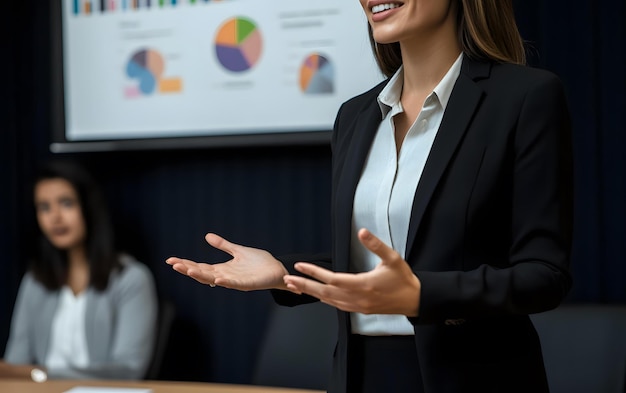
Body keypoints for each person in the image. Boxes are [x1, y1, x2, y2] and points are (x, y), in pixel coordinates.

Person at [166, 0, 573, 392]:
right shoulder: (355, 116)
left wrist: (422, 295)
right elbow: (375, 265)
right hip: (361, 374)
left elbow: (544, 276)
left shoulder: (524, 98)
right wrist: (284, 273)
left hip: (474, 377)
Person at [0, 160, 158, 381]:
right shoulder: (35, 280)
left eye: (66, 203)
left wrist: (41, 374)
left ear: (88, 206)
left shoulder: (131, 278)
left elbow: (128, 370)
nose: (55, 217)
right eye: (44, 207)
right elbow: (14, 365)